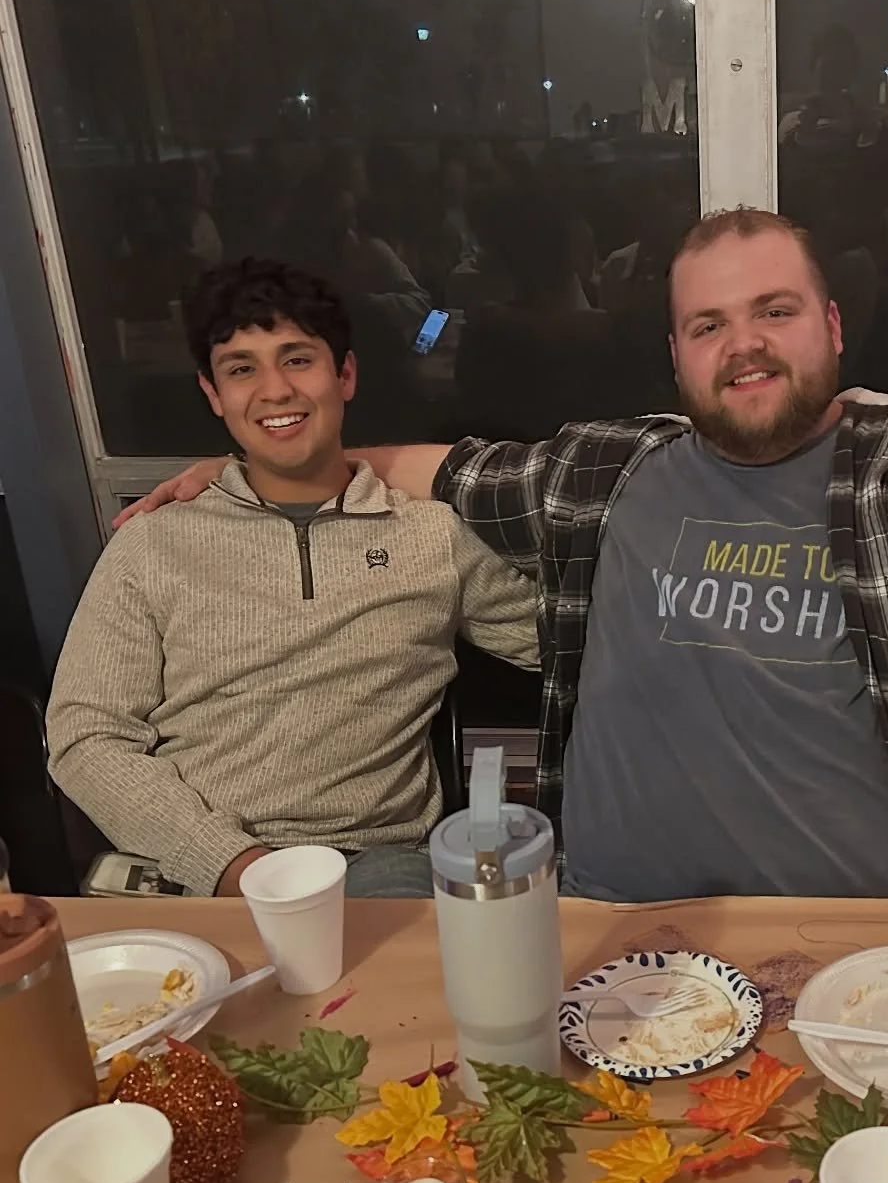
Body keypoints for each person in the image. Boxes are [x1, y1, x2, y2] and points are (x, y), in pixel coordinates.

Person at [119, 210, 888, 905]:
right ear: (676, 355)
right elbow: (437, 468)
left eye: (775, 312)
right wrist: (265, 458)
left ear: (830, 325)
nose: (745, 345)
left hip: (878, 936)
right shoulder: (608, 472)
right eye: (709, 325)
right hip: (613, 935)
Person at [50, 258, 538, 898]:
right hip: (196, 868)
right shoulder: (152, 543)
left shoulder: (431, 537)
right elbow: (87, 736)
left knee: (396, 958)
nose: (275, 390)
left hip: (374, 862)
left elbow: (565, 639)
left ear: (345, 375)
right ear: (213, 394)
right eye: (241, 369)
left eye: (298, 359)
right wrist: (230, 864)